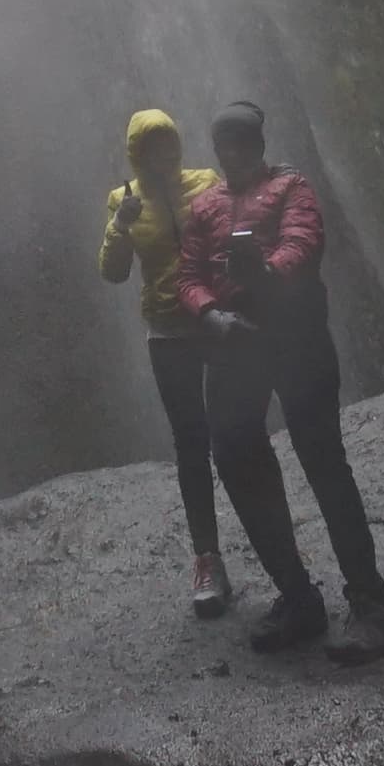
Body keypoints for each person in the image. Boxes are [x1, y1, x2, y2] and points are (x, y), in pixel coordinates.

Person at [178, 100, 384, 661]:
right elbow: (188, 274)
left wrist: (266, 271)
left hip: (296, 338)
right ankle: (298, 597)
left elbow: (304, 241)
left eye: (243, 143)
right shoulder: (205, 206)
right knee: (236, 458)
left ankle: (371, 608)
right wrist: (209, 312)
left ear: (259, 145)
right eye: (225, 145)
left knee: (323, 460)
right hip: (235, 346)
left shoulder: (291, 187)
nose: (234, 153)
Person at [97, 108, 232, 617]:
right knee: (191, 443)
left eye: (167, 143)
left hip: (216, 321)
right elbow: (112, 273)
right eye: (150, 147)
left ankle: (271, 548)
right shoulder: (125, 201)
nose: (161, 154)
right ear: (137, 154)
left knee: (235, 435)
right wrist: (119, 225)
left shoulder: (206, 182)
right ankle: (208, 559)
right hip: (168, 333)